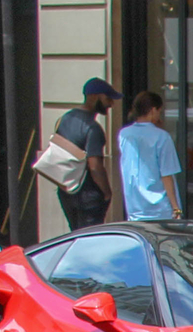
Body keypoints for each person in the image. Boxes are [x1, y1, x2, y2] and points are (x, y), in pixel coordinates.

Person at [53, 79, 117, 229]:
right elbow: (95, 166)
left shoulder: (65, 119)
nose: (111, 104)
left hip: (67, 191)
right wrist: (107, 192)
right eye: (108, 98)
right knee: (90, 242)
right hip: (89, 196)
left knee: (74, 237)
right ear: (95, 96)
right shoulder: (93, 128)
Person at [115, 91, 183, 223]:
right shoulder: (162, 137)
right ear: (153, 110)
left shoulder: (124, 134)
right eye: (159, 111)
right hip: (160, 208)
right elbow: (167, 175)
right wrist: (176, 208)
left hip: (134, 206)